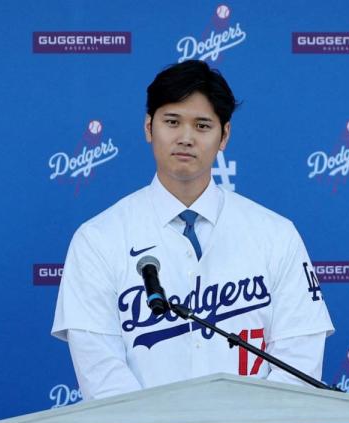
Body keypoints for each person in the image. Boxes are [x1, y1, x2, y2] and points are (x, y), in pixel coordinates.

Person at [52, 60, 333, 400]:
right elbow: (101, 374)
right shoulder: (97, 239)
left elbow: (299, 359)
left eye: (202, 126)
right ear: (148, 127)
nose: (186, 138)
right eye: (172, 122)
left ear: (224, 135)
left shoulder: (276, 234)